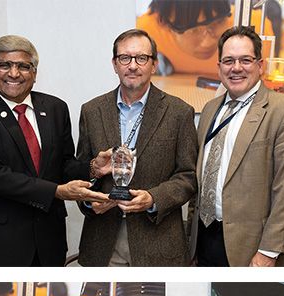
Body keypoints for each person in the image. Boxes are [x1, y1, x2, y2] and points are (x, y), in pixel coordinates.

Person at [0, 35, 109, 267]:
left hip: (49, 240)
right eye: (5, 65)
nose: (14, 73)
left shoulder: (56, 108)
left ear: (34, 73)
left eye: (23, 66)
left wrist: (92, 168)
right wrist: (56, 191)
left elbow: (64, 164)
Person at [76, 28, 198, 266]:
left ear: (154, 64)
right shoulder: (92, 111)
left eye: (141, 58)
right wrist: (90, 202)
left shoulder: (179, 113)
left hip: (157, 241)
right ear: (115, 64)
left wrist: (153, 198)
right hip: (103, 240)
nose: (133, 65)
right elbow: (82, 170)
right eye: (125, 58)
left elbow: (188, 177)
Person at [190, 26, 284, 267]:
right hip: (203, 239)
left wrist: (269, 251)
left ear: (260, 65)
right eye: (228, 61)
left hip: (251, 248)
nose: (236, 68)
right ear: (219, 66)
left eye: (245, 60)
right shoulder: (210, 110)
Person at [136, 1, 283, 76]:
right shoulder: (146, 33)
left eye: (218, 23)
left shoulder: (253, 27)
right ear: (164, 24)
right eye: (193, 30)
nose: (208, 42)